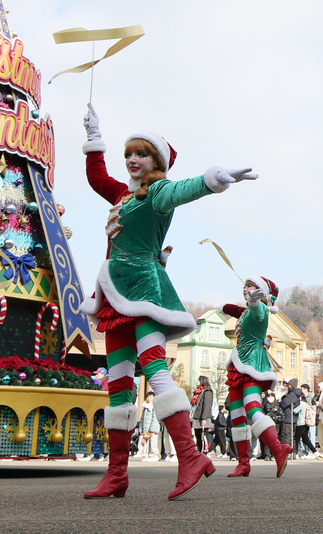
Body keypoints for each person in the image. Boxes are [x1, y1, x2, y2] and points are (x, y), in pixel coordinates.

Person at [78, 105, 257, 500]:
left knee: (156, 371)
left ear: (156, 161)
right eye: (128, 153)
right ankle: (117, 474)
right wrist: (94, 139)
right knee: (119, 386)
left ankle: (190, 458)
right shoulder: (122, 194)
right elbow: (97, 178)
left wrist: (211, 181)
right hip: (114, 294)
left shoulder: (157, 193)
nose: (131, 159)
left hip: (145, 291)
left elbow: (182, 189)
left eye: (140, 153)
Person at [221, 277, 294, 477]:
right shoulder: (245, 313)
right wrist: (228, 306)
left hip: (253, 365)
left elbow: (255, 309)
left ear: (260, 292)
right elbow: (231, 309)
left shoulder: (260, 310)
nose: (246, 289)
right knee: (236, 415)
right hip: (238, 365)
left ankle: (278, 448)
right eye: (244, 286)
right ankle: (243, 462)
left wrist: (255, 300)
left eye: (251, 286)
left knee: (252, 409)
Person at [193, 376, 217, 453]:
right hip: (196, 416)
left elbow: (207, 405)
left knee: (204, 436)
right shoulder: (197, 392)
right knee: (198, 436)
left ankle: (205, 451)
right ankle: (199, 451)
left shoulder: (207, 392)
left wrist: (204, 418)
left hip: (203, 417)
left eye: (198, 380)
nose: (197, 382)